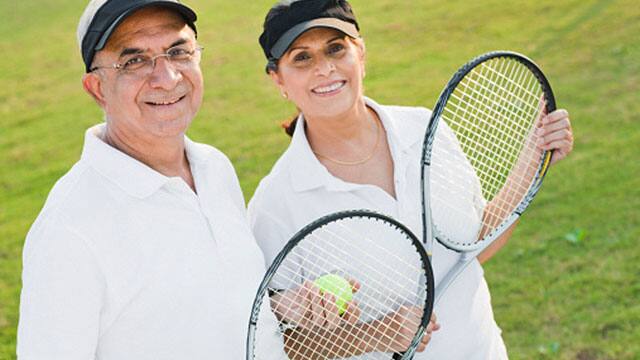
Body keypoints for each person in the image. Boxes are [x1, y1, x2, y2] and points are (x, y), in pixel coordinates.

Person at [248, 0, 574, 359]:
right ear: (278, 78)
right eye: (302, 58)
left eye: (336, 48)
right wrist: (375, 334)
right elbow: (273, 345)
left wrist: (533, 155)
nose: (324, 68)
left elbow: (474, 247)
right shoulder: (275, 205)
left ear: (361, 52)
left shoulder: (424, 130)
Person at [16, 1, 286, 359]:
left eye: (178, 52)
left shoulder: (214, 168)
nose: (168, 78)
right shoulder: (68, 231)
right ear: (97, 88)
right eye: (134, 61)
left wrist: (280, 308)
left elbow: (212, 306)